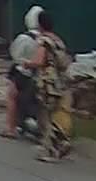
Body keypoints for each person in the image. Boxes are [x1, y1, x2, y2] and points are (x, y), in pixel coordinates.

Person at [24, 10, 73, 161]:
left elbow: (39, 61)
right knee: (54, 115)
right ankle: (62, 142)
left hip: (47, 83)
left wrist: (28, 63)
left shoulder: (44, 41)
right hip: (61, 83)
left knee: (44, 117)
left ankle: (50, 151)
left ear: (39, 25)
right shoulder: (58, 41)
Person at [0, 5, 42, 139]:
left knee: (12, 97)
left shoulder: (24, 38)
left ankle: (10, 128)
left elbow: (15, 54)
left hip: (22, 72)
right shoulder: (45, 39)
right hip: (39, 74)